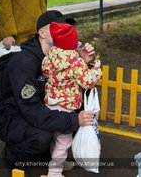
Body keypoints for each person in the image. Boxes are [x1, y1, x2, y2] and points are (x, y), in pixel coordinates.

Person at [0, 10, 96, 170]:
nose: (62, 30)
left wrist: (82, 62)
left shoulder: (59, 57)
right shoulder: (23, 62)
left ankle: (49, 156)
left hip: (41, 108)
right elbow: (30, 109)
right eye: (56, 27)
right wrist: (73, 121)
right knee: (42, 136)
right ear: (42, 33)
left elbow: (72, 89)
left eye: (65, 27)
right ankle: (12, 155)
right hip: (15, 115)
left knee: (77, 111)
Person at [42, 22, 102, 177]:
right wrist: (96, 70)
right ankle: (54, 172)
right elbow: (87, 82)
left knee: (56, 140)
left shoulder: (49, 58)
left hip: (50, 105)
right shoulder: (76, 62)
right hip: (66, 108)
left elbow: (46, 73)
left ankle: (58, 164)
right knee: (63, 142)